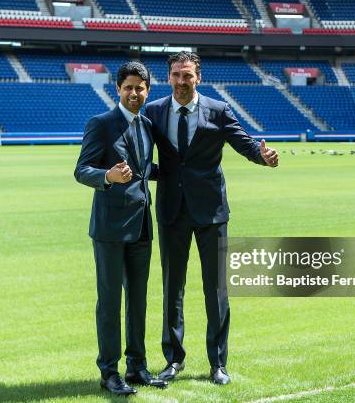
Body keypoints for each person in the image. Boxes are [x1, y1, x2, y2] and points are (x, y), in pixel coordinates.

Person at [144, 51, 279, 385]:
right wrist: (154, 174)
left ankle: (218, 363)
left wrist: (263, 157)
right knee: (172, 289)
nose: (181, 82)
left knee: (216, 290)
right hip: (172, 211)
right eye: (176, 75)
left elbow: (244, 143)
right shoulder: (154, 111)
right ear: (169, 76)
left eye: (187, 75)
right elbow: (141, 155)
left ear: (198, 78)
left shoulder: (219, 111)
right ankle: (173, 360)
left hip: (212, 212)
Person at [74, 61, 167, 396]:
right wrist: (107, 177)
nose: (134, 93)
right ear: (118, 89)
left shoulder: (147, 125)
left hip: (141, 226)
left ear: (147, 91)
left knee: (138, 302)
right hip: (110, 228)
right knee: (110, 303)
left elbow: (145, 170)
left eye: (139, 88)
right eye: (128, 87)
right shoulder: (101, 123)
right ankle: (109, 372)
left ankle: (138, 366)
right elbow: (82, 169)